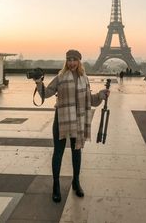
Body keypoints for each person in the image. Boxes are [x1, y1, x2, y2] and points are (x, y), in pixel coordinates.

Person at [34, 49, 110, 203]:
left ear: (79, 61)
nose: (72, 63)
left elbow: (90, 99)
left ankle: (76, 181)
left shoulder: (84, 78)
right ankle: (56, 185)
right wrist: (38, 82)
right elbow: (46, 93)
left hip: (78, 118)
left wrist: (101, 95)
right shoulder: (60, 77)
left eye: (75, 59)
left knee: (77, 151)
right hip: (61, 118)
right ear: (66, 61)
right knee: (58, 152)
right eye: (69, 60)